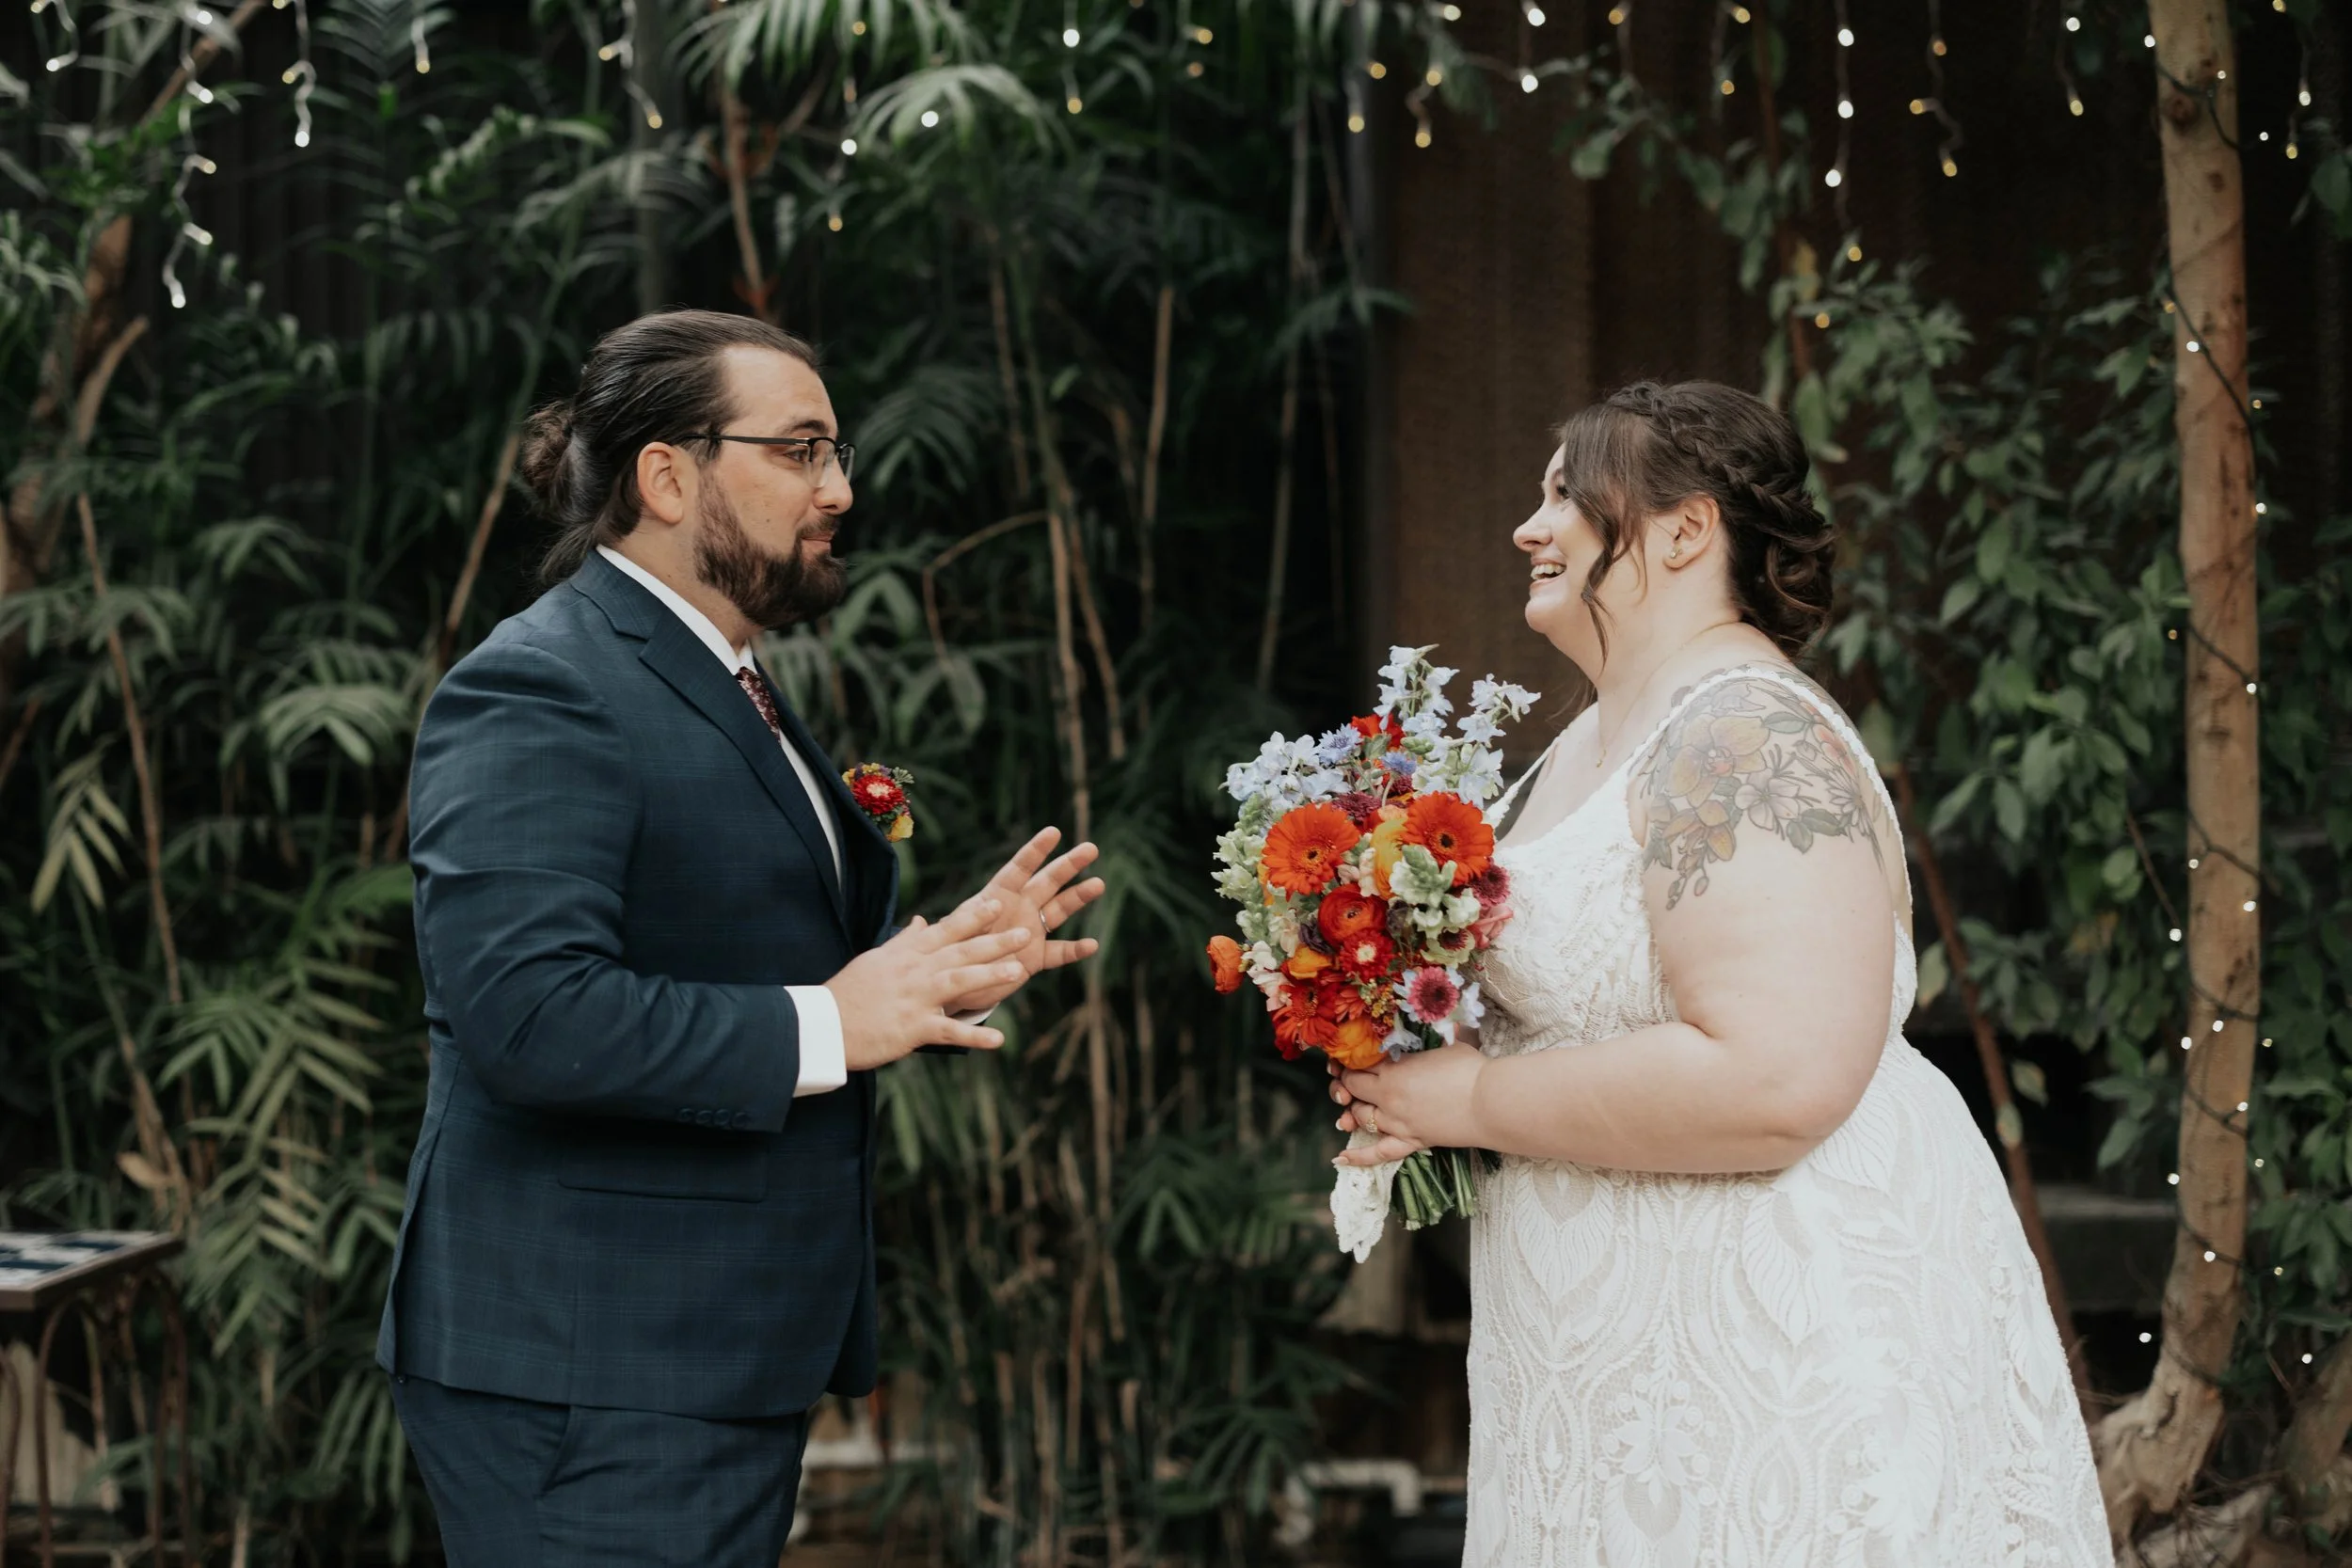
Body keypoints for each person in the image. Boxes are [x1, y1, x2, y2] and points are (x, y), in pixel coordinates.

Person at [1328, 381, 2111, 1565]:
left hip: (1778, 1364)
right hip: (1616, 1388)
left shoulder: (1744, 734)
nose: (1526, 527)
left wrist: (1478, 1102)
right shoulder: (1588, 742)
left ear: (1686, 530)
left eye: (1562, 494)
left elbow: (1778, 1074)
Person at [376, 309, 1105, 1565]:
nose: (842, 488)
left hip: (693, 1354)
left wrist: (924, 971)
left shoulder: (720, 673)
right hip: (588, 1366)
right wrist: (839, 1017)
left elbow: (733, 943)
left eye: (839, 451)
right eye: (802, 451)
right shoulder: (544, 685)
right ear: (667, 476)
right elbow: (531, 1017)